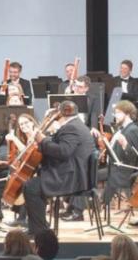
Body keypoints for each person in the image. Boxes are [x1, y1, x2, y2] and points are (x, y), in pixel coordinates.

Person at [20, 101, 95, 235]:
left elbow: (63, 151)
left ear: (62, 113)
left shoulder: (72, 127)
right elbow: (62, 146)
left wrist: (42, 140)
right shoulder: (75, 125)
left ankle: (38, 230)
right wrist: (46, 139)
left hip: (71, 177)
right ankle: (40, 226)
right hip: (73, 173)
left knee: (30, 186)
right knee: (34, 183)